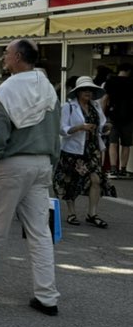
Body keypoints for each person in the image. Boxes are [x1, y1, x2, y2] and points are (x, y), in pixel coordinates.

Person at [0, 38, 61, 316]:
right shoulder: (48, 89)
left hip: (11, 165)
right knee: (40, 232)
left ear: (19, 57)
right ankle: (47, 296)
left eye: (7, 54)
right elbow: (55, 131)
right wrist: (51, 164)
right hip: (41, 164)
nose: (3, 58)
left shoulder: (7, 90)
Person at [54, 76, 108, 228]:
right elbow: (61, 129)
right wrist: (79, 127)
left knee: (96, 180)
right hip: (73, 150)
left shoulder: (95, 107)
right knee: (70, 182)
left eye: (90, 90)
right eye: (84, 90)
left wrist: (105, 128)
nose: (88, 93)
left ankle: (92, 213)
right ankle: (71, 213)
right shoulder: (68, 107)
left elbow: (101, 125)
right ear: (77, 92)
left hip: (92, 149)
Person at [103, 64, 132, 178]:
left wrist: (102, 114)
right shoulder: (131, 82)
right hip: (129, 116)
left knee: (113, 143)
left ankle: (113, 169)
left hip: (113, 115)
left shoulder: (111, 81)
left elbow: (105, 98)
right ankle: (123, 169)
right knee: (126, 144)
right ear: (129, 71)